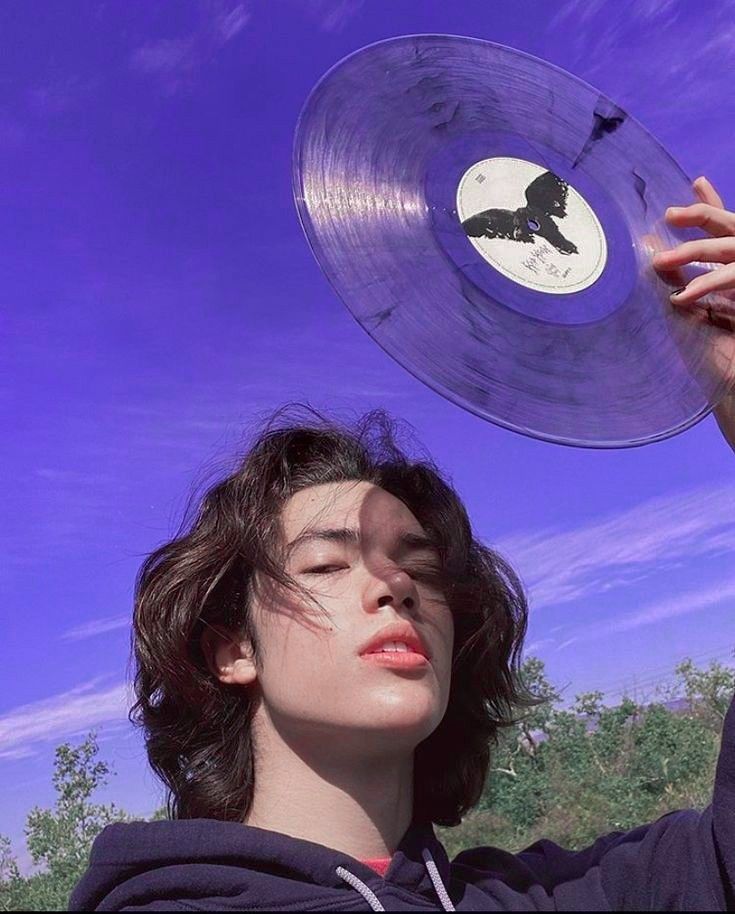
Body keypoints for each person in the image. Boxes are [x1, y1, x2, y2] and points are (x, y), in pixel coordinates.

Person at [69, 178, 735, 912]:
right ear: (233, 650)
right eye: (326, 562)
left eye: (420, 568)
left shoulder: (543, 897)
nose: (396, 587)